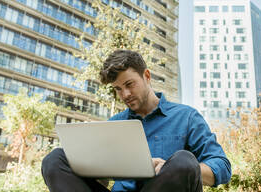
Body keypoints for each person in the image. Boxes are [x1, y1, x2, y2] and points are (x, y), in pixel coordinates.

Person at [42, 50, 231, 192]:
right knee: (55, 159)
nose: (125, 94)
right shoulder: (114, 124)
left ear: (146, 76)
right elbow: (102, 181)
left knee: (184, 161)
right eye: (118, 89)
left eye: (129, 84)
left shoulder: (186, 117)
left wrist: (171, 168)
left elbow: (222, 166)